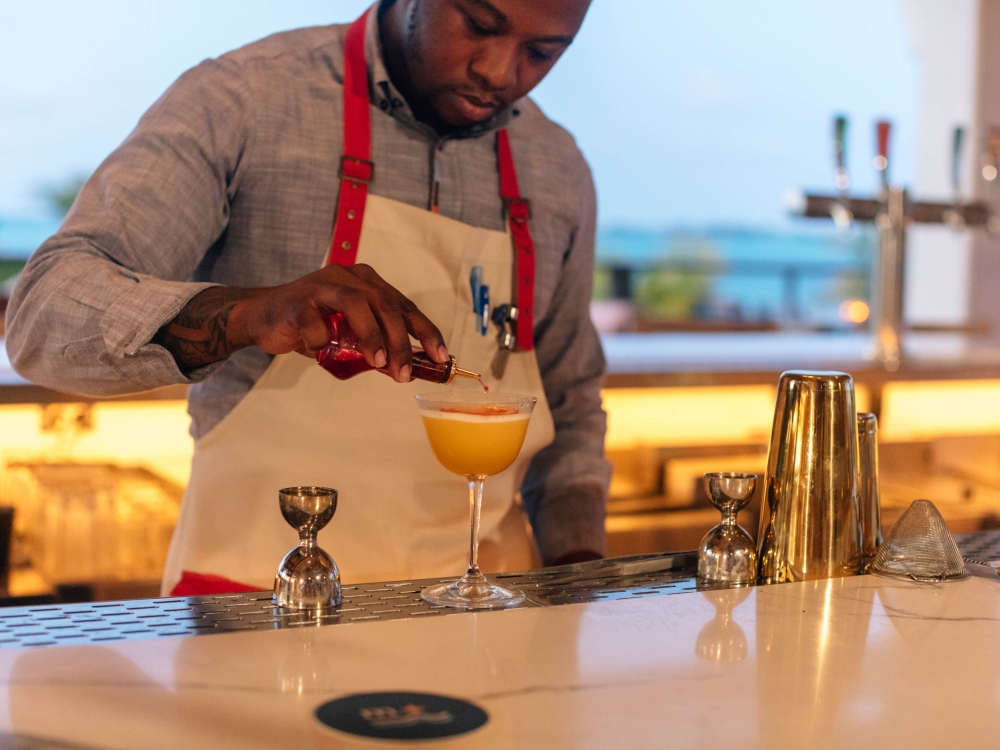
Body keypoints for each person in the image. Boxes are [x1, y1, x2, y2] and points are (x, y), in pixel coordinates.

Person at [5, 0, 611, 595]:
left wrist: (583, 582)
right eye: (479, 26)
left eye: (542, 52)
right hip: (256, 606)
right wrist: (248, 313)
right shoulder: (246, 98)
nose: (501, 73)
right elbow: (42, 316)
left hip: (486, 617)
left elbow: (569, 405)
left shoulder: (556, 169)